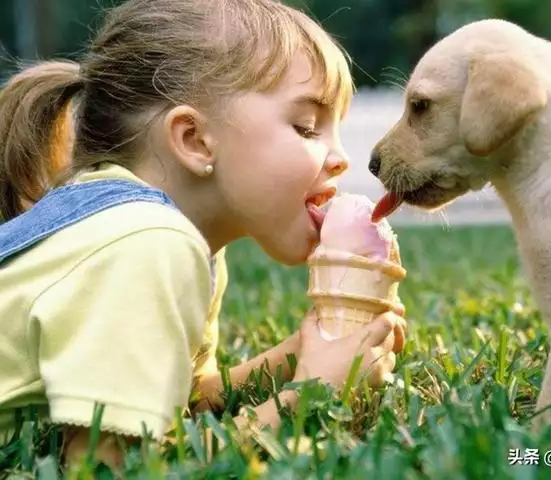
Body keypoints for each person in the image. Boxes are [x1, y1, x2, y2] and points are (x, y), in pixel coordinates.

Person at [0, 0, 406, 471]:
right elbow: (111, 465)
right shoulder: (146, 243)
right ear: (193, 139)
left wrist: (296, 357)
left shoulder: (178, 242)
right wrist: (309, 396)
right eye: (307, 127)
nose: (340, 158)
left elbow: (187, 403)